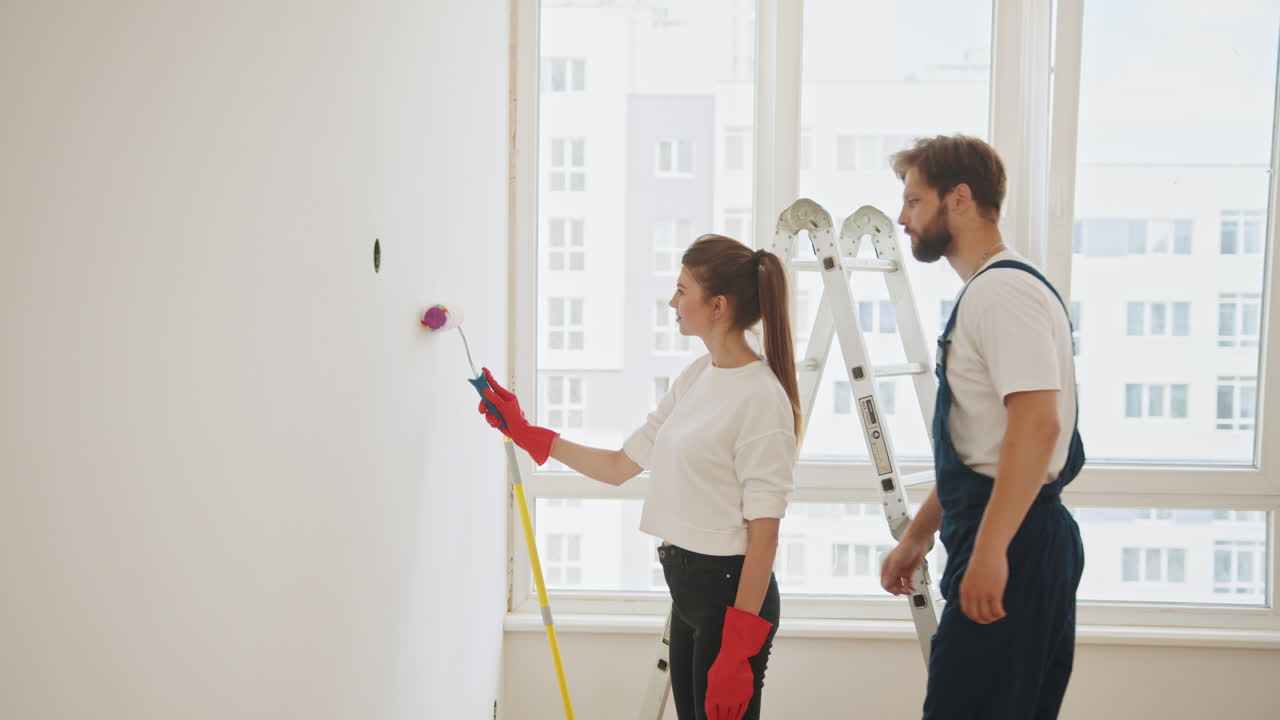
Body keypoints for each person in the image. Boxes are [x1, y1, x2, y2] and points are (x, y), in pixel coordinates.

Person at [477, 234, 801, 720]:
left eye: (681, 290)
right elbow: (619, 466)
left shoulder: (761, 398)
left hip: (730, 598)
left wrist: (737, 652)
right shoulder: (699, 375)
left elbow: (765, 536)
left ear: (717, 306)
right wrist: (527, 434)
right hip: (689, 591)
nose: (672, 302)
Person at [878, 135, 1086, 719]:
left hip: (1015, 542)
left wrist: (992, 552)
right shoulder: (998, 288)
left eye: (914, 201)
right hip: (1016, 533)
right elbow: (985, 450)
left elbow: (1036, 428)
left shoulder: (1002, 293)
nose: (903, 219)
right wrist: (917, 537)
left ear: (960, 199)